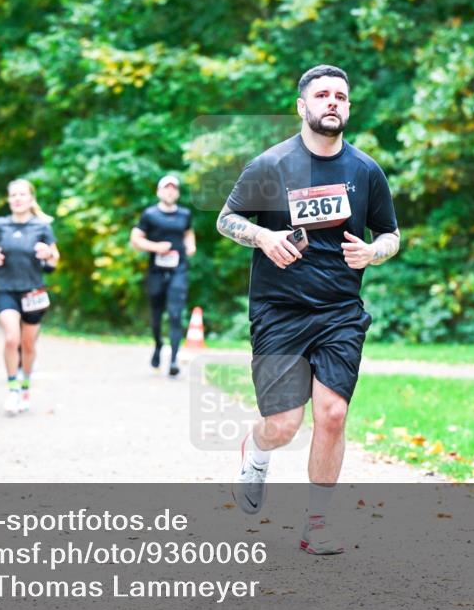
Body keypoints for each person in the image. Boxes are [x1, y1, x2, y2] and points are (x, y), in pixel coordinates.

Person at [216, 64, 400, 554]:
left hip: (340, 309)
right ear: (303, 106)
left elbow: (390, 233)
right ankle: (256, 454)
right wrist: (263, 235)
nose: (332, 102)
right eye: (322, 95)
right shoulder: (271, 165)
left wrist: (373, 252)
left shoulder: (365, 170)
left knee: (333, 414)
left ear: (348, 107)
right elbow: (226, 218)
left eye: (341, 95)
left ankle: (316, 524)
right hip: (279, 310)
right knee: (282, 425)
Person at [0, 179, 60, 415]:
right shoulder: (0, 224)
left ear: (30, 199)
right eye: (13, 195)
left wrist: (47, 254)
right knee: (11, 339)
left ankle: (25, 388)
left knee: (27, 344)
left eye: (22, 194)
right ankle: (13, 389)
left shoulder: (41, 227)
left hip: (33, 292)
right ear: (8, 200)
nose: (17, 198)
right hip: (5, 289)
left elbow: (55, 257)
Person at [129, 174, 196, 376]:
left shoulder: (185, 214)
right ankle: (158, 345)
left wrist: (191, 245)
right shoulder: (150, 214)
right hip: (156, 271)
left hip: (179, 269)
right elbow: (135, 239)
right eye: (166, 188)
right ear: (159, 192)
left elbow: (188, 232)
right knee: (157, 315)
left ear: (177, 193)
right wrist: (156, 247)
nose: (170, 191)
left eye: (174, 188)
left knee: (176, 314)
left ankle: (174, 360)